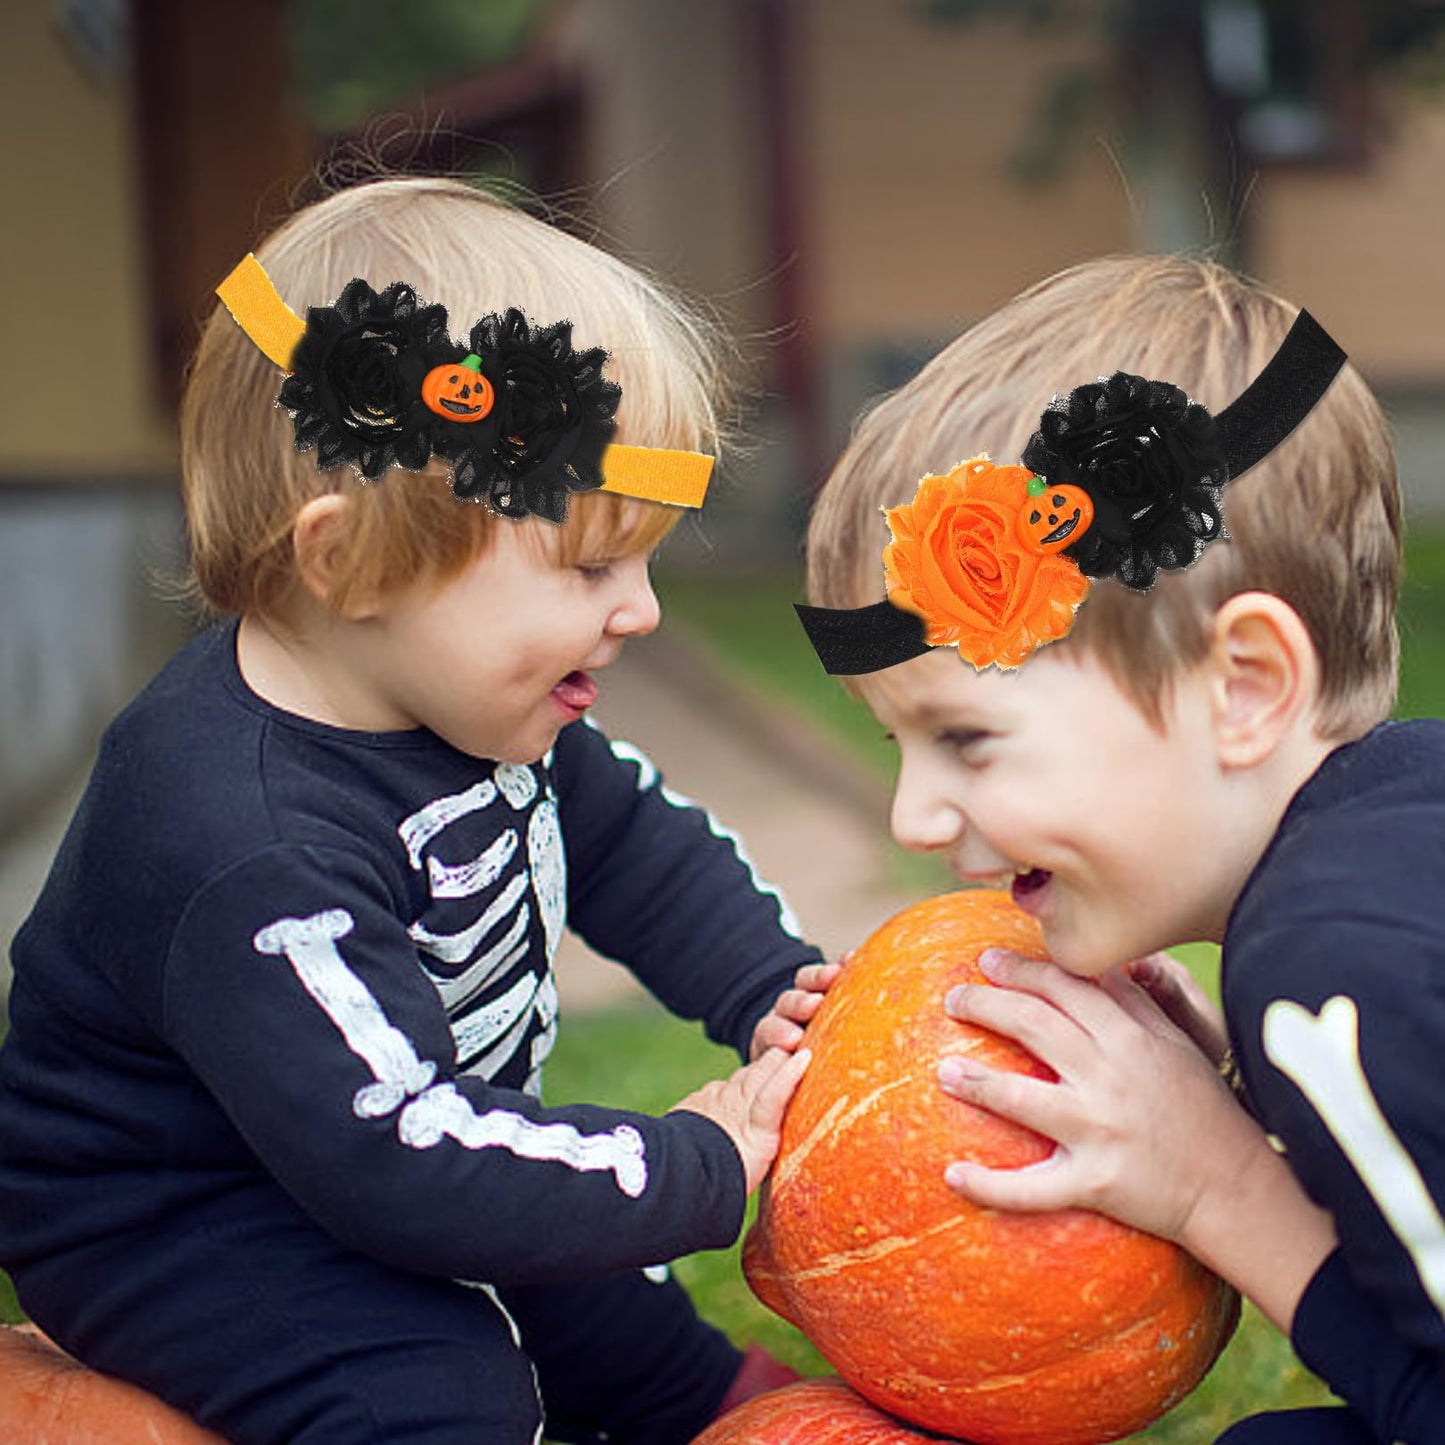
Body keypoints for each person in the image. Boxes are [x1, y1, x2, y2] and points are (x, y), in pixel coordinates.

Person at [0, 176, 835, 1445]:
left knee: (598, 1299)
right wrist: (690, 1164)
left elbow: (630, 844)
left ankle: (707, 1407)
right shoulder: (243, 840)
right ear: (347, 561)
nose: (642, 610)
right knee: (437, 1387)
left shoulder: (469, 702)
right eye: (590, 564)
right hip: (198, 1219)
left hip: (414, 1145)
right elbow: (398, 1157)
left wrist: (770, 987)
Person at [794, 253, 1444, 1443]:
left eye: (965, 737)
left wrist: (1218, 1180)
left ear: (1242, 688)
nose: (913, 817)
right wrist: (1261, 1100)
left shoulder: (1336, 969)